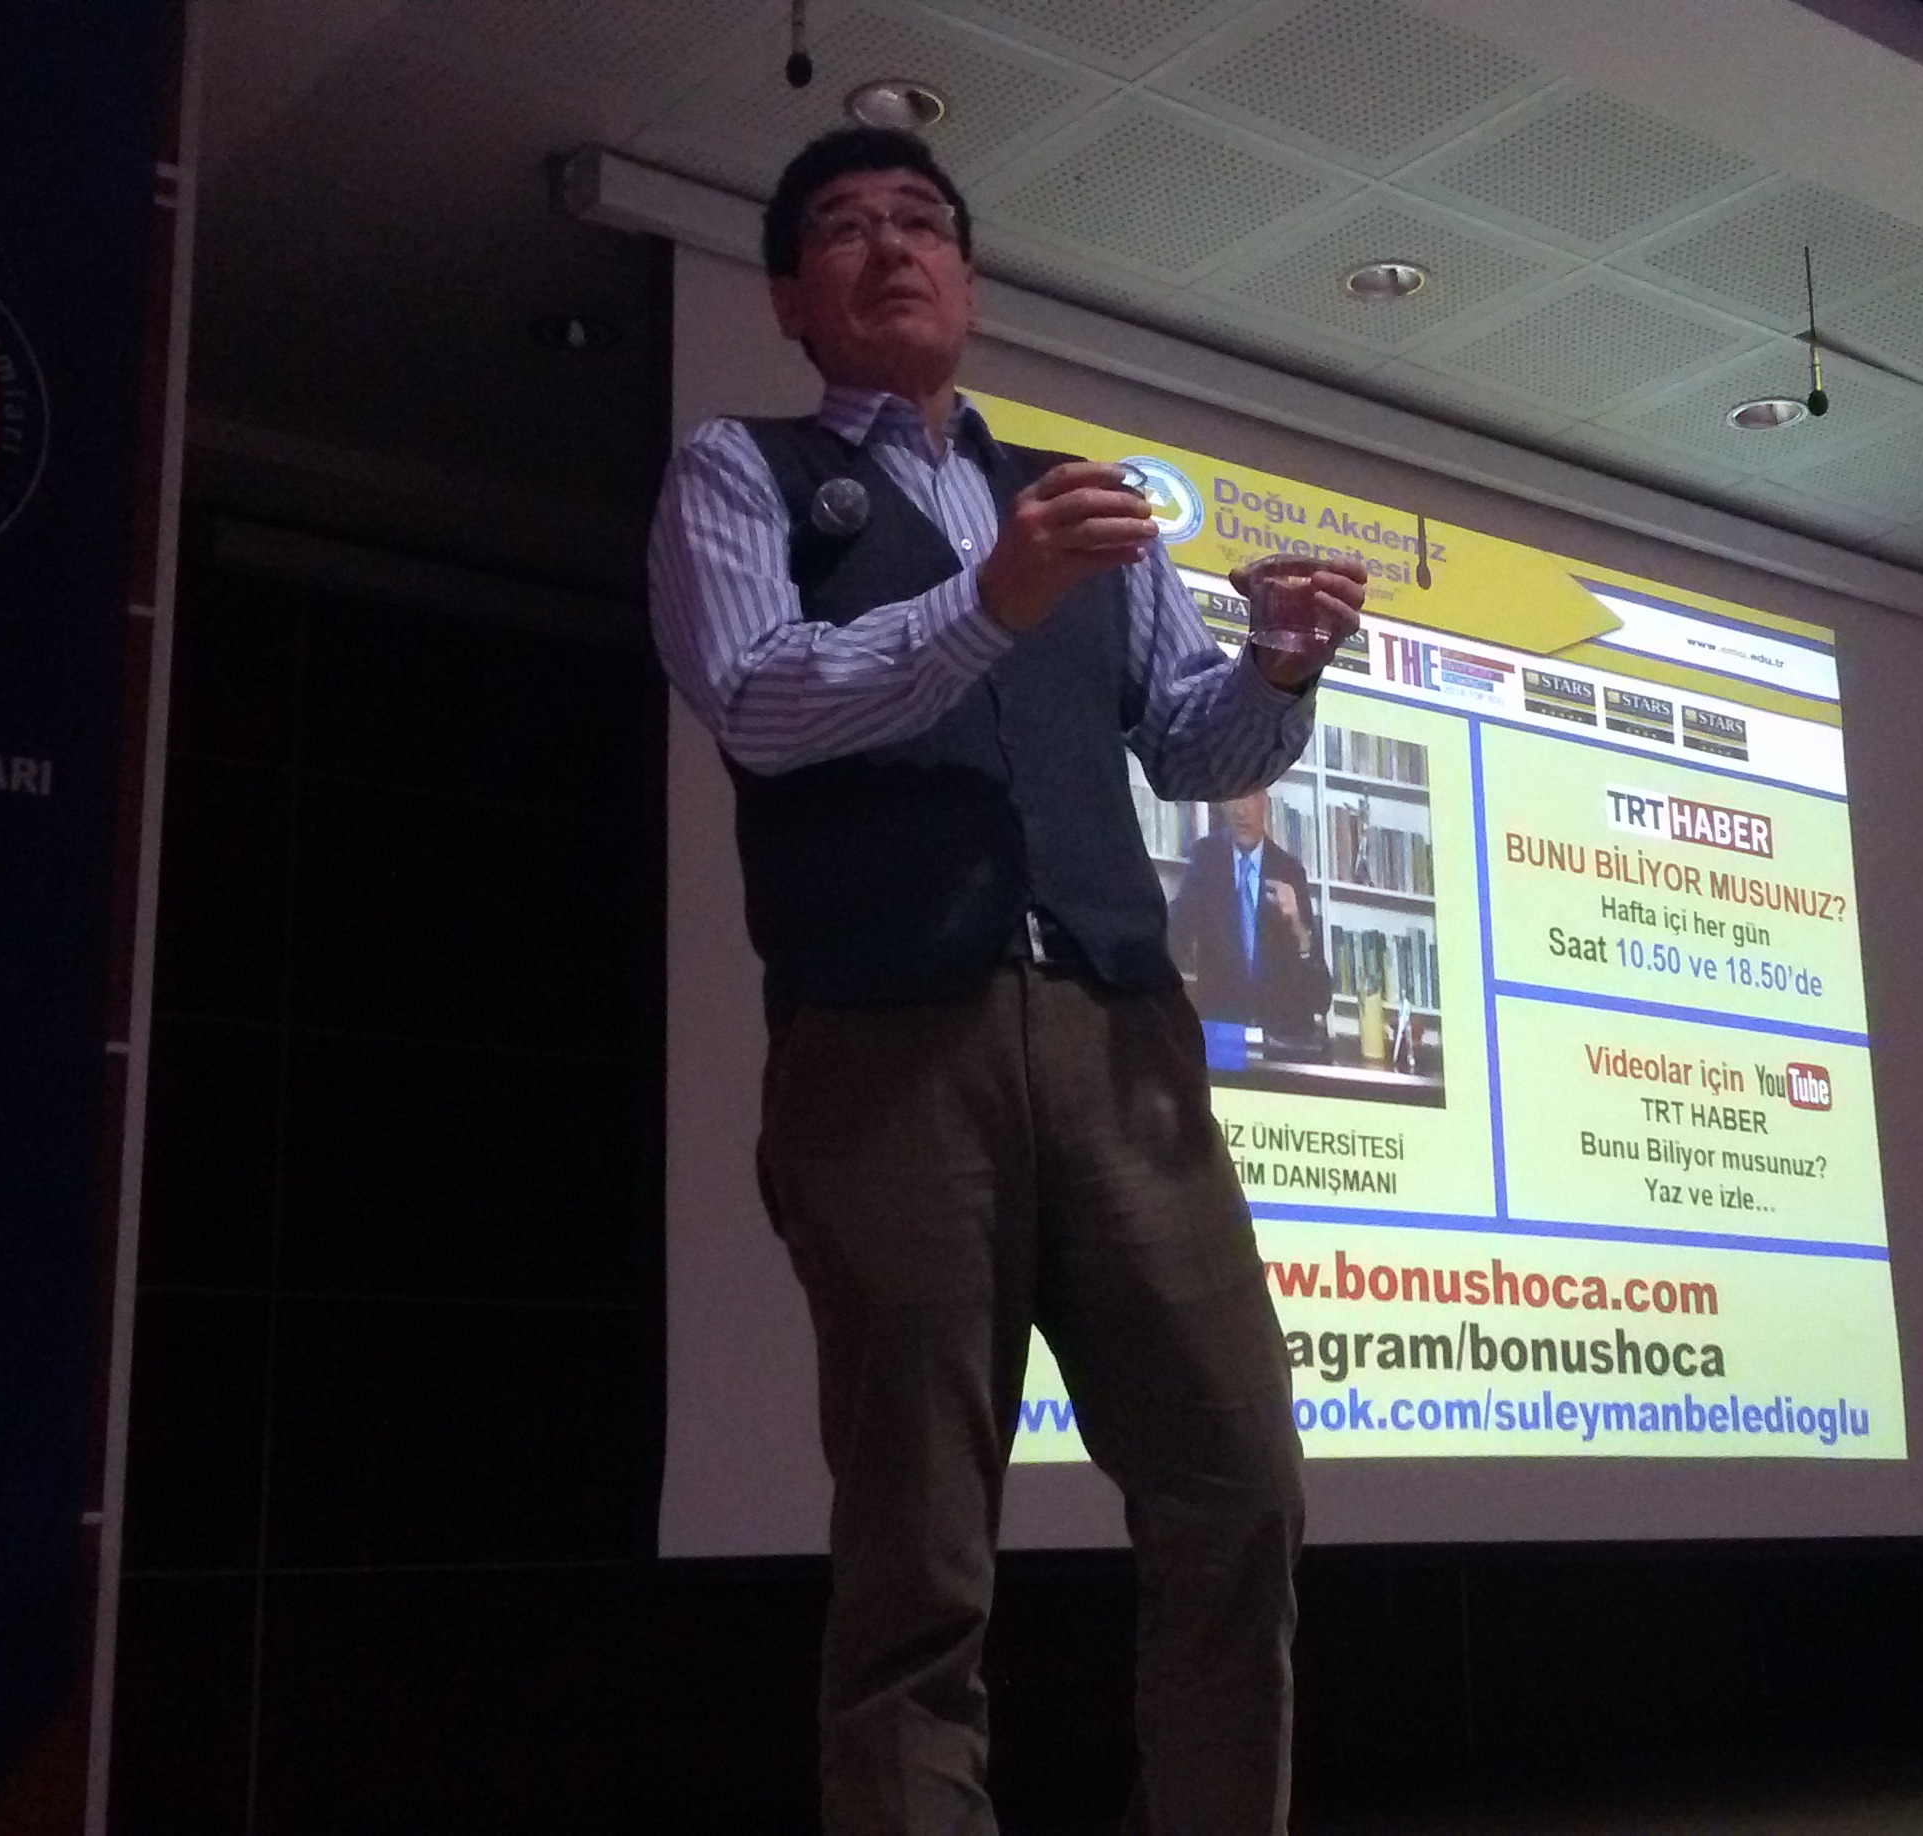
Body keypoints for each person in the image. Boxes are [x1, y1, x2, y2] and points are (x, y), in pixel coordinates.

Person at [644, 125, 1368, 1835]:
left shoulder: (1078, 498)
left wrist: (1276, 668)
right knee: (917, 1554)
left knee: (1240, 1494)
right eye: (844, 228)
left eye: (922, 221)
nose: (890, 246)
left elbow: (1187, 747)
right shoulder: (737, 471)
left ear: (967, 278)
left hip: (1124, 1046)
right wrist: (989, 598)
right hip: (888, 1054)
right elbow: (758, 699)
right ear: (789, 298)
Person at [1169, 789, 1333, 1040]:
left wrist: (1298, 927)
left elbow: (1321, 999)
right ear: (1222, 804)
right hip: (1222, 1034)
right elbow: (1175, 939)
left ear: (1265, 801)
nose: (1241, 810)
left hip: (1278, 1038)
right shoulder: (1206, 860)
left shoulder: (1289, 871)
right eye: (1233, 796)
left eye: (1250, 796)